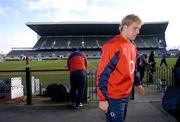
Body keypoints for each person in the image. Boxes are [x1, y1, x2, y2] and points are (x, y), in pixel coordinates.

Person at [96, 14, 145, 122]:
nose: (138, 32)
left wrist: (137, 84)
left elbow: (133, 68)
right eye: (135, 28)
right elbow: (102, 74)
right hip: (114, 97)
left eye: (139, 29)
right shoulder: (113, 46)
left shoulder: (132, 46)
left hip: (125, 95)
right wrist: (102, 99)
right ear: (125, 27)